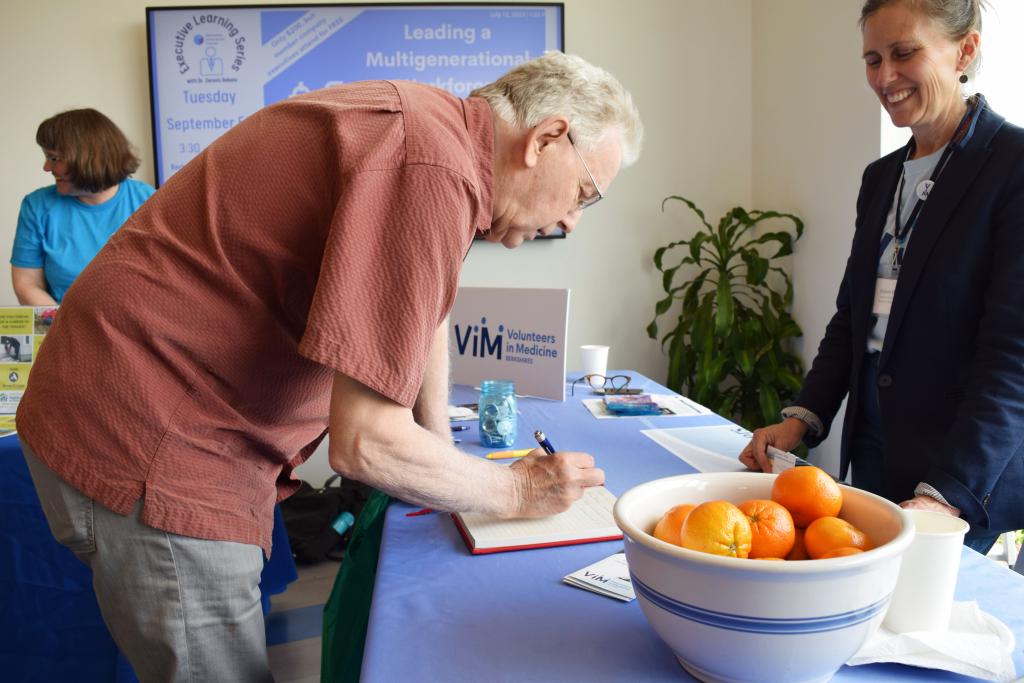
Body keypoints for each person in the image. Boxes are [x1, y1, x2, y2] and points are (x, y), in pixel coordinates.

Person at [16, 52, 643, 681]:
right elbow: (366, 445)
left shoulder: (436, 136)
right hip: (151, 439)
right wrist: (516, 488)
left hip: (153, 409)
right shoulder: (428, 163)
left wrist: (437, 443)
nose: (571, 220)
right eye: (584, 192)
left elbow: (422, 309)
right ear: (546, 139)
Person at [740, 0, 1024, 555]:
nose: (885, 77)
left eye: (903, 53)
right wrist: (801, 420)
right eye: (872, 59)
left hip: (963, 473)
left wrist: (948, 492)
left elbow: (1012, 357)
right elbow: (853, 318)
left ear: (965, 48)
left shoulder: (1013, 166)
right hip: (873, 447)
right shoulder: (881, 178)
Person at [11, 108, 155, 304]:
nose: (46, 167)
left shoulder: (147, 202)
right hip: (64, 326)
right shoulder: (37, 206)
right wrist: (68, 328)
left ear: (87, 158)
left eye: (54, 158)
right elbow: (27, 283)